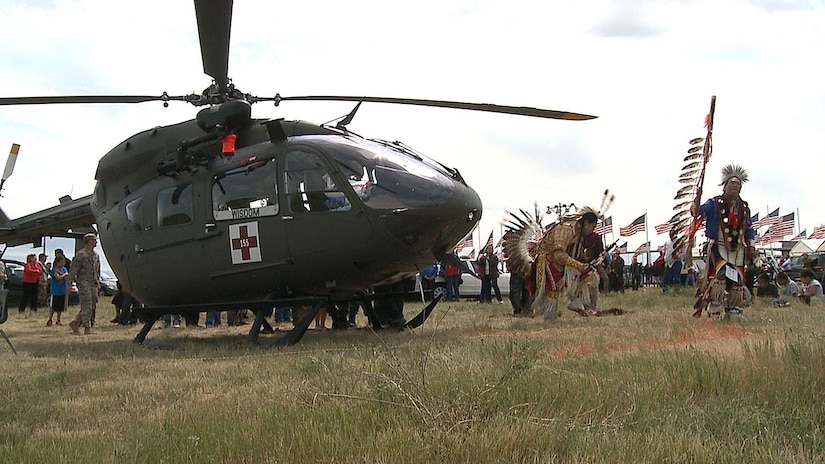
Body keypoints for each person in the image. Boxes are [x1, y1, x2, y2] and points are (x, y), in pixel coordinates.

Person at [505, 205, 604, 320]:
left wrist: (587, 261)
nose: (593, 230)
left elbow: (573, 254)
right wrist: (579, 265)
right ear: (586, 223)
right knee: (552, 290)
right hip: (547, 261)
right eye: (593, 226)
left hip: (559, 263)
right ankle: (549, 317)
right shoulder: (566, 230)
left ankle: (579, 302)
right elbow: (559, 254)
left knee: (589, 275)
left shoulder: (578, 233)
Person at [692, 165, 755, 318]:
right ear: (725, 186)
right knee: (719, 275)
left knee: (738, 279)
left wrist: (751, 245)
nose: (735, 186)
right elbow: (699, 212)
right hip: (718, 246)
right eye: (732, 183)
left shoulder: (744, 208)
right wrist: (696, 202)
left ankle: (733, 308)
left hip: (738, 248)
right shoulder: (715, 203)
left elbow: (749, 228)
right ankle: (715, 305)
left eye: (738, 184)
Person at [69, 233, 101, 334]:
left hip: (93, 282)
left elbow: (97, 270)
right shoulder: (81, 254)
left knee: (92, 304)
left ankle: (76, 322)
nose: (96, 242)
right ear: (89, 241)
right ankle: (87, 327)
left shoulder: (96, 255)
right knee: (86, 303)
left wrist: (98, 282)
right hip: (83, 282)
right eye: (94, 240)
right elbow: (73, 270)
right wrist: (69, 283)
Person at [46, 256, 68, 326]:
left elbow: (67, 277)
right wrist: (64, 275)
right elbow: (58, 278)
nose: (63, 264)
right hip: (55, 291)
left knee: (60, 307)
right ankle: (50, 319)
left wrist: (64, 275)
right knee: (53, 307)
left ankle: (58, 320)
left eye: (63, 262)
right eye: (61, 262)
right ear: (57, 262)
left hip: (62, 290)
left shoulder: (64, 269)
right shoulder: (54, 270)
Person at [662, 229, 683, 293]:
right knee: (666, 277)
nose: (671, 235)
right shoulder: (667, 242)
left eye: (672, 233)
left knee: (676, 277)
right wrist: (665, 259)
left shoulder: (680, 242)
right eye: (670, 234)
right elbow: (664, 251)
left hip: (676, 261)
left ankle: (677, 291)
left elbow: (684, 253)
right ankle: (665, 291)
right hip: (668, 263)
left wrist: (679, 256)